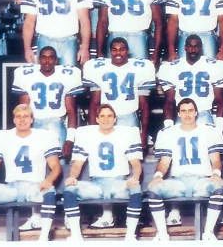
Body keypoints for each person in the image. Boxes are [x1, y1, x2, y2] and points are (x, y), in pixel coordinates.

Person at [147, 97, 223, 241]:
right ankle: (163, 234)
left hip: (202, 180)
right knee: (153, 189)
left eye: (190, 110)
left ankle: (208, 233)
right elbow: (164, 162)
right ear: (178, 114)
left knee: (218, 186)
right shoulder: (168, 133)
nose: (187, 114)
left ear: (196, 112)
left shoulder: (209, 131)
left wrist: (216, 174)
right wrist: (158, 176)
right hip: (178, 181)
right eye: (183, 111)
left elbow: (216, 159)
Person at [62, 104, 144, 240]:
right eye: (102, 116)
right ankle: (76, 236)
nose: (106, 119)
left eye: (110, 116)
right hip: (96, 185)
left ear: (115, 119)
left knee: (136, 188)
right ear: (97, 119)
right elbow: (77, 164)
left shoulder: (126, 135)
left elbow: (136, 164)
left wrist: (135, 178)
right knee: (69, 189)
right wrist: (72, 177)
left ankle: (130, 236)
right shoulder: (86, 136)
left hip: (119, 183)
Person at [0, 104, 61, 241]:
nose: (22, 120)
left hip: (34, 188)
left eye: (26, 116)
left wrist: (48, 180)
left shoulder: (44, 136)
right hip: (11, 189)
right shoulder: (2, 137)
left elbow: (56, 166)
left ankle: (43, 237)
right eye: (18, 117)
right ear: (14, 119)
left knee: (49, 192)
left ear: (32, 119)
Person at [82, 37, 155, 165]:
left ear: (128, 51)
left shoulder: (140, 68)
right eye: (114, 50)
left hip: (129, 117)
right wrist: (93, 130)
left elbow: (144, 106)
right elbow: (94, 104)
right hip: (106, 118)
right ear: (110, 51)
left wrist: (144, 133)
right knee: (109, 156)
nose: (118, 53)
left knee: (131, 159)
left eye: (122, 49)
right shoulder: (98, 69)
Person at [12, 46, 81, 154]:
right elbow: (23, 111)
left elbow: (71, 111)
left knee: (59, 161)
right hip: (34, 125)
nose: (47, 61)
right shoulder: (27, 77)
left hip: (57, 124)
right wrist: (23, 134)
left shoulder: (66, 77)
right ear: (39, 59)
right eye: (44, 57)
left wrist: (70, 139)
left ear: (56, 60)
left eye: (51, 57)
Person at [158, 35, 223, 129]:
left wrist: (219, 130)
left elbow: (220, 101)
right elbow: (169, 102)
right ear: (185, 48)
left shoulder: (214, 66)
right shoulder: (172, 68)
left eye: (196, 46)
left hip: (204, 112)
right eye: (190, 46)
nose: (193, 50)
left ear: (201, 47)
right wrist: (169, 128)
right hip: (182, 114)